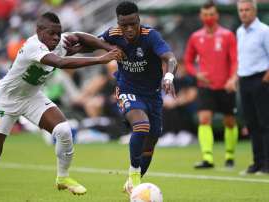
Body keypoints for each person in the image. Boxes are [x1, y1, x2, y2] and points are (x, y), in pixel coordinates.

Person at [0, 12, 122, 202]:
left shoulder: (59, 42)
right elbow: (60, 62)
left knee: (63, 130)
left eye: (58, 33)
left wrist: (107, 46)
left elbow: (80, 37)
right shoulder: (33, 46)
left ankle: (62, 177)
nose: (56, 38)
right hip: (6, 100)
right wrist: (102, 58)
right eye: (51, 33)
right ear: (39, 31)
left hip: (32, 97)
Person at [99, 1, 177, 194]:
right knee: (142, 126)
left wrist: (169, 76)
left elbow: (170, 58)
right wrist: (71, 46)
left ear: (139, 20)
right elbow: (92, 42)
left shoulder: (151, 36)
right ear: (118, 23)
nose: (129, 29)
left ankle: (134, 184)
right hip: (127, 90)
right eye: (124, 25)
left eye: (133, 23)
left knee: (151, 142)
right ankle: (134, 174)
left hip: (152, 96)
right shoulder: (113, 34)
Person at [184, 1, 238, 169]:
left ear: (217, 15)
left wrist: (232, 79)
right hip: (205, 87)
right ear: (201, 16)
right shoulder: (195, 37)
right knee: (204, 119)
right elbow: (188, 62)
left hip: (226, 86)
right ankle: (207, 158)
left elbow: (235, 60)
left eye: (211, 14)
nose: (209, 18)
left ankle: (230, 155)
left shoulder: (228, 35)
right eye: (205, 15)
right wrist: (197, 74)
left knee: (229, 121)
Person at [236, 0, 269, 174]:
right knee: (252, 124)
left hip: (260, 79)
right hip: (245, 80)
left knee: (265, 123)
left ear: (254, 11)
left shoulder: (264, 31)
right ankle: (257, 161)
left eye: (247, 9)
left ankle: (267, 163)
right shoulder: (240, 31)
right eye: (241, 10)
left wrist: (265, 80)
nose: (244, 13)